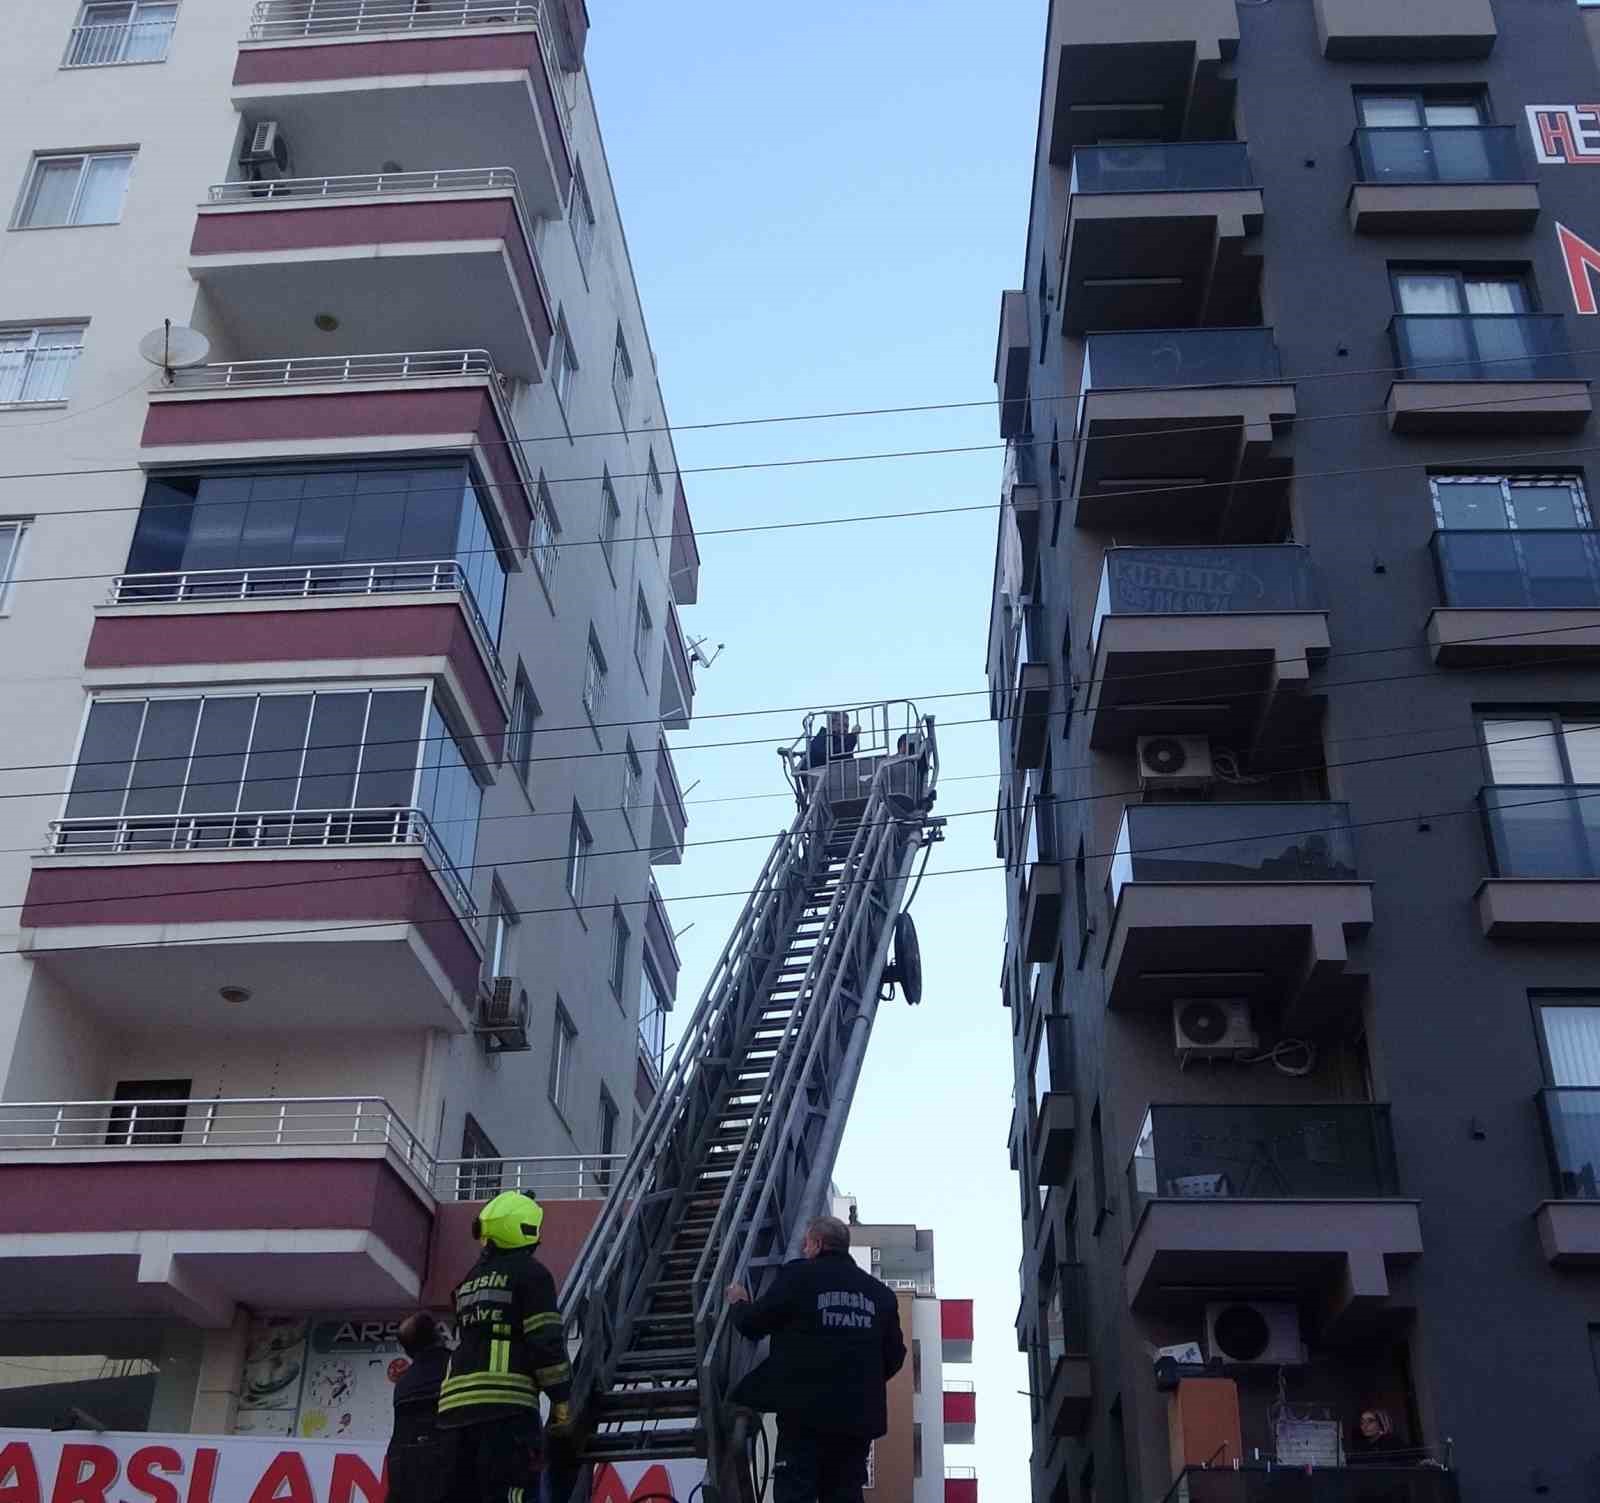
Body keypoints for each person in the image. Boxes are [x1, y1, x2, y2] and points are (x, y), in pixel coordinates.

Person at [725, 1214, 905, 1503]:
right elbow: (895, 1357)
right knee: (845, 1494)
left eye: (806, 1245)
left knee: (796, 1491)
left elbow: (755, 1324)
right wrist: (859, 1377)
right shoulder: (880, 1295)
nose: (804, 1251)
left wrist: (738, 1303)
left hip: (803, 1417)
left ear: (818, 1244)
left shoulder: (798, 1277)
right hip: (855, 1421)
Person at [436, 1191, 574, 1503]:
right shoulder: (533, 1275)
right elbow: (545, 1343)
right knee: (512, 1493)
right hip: (505, 1407)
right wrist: (562, 1399)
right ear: (523, 1229)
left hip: (453, 1411)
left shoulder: (468, 1282)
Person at [385, 1315, 452, 1503]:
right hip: (448, 1475)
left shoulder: (404, 1383)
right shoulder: (456, 1367)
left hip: (405, 1476)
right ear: (438, 1334)